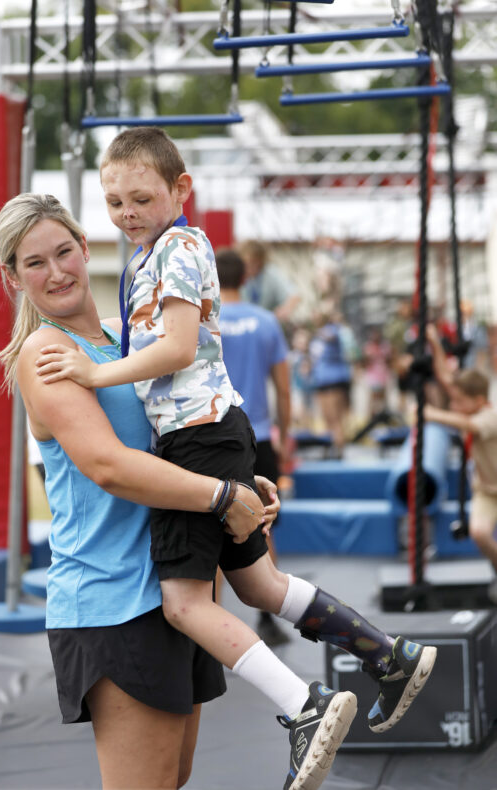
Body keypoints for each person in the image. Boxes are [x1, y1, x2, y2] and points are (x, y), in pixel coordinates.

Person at [35, 128, 437, 790]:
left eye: (140, 197)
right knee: (258, 585)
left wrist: (90, 374)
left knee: (184, 604)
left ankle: (303, 706)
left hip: (198, 435)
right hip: (210, 435)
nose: (127, 212)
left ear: (180, 190)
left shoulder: (179, 248)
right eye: (113, 203)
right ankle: (386, 656)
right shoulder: (147, 256)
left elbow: (177, 349)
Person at [0, 192, 278, 790]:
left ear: (85, 247)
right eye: (34, 263)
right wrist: (223, 499)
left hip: (178, 587)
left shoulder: (127, 343)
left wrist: (239, 482)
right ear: (13, 278)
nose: (57, 271)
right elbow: (109, 467)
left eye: (64, 251)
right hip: (113, 599)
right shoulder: (47, 351)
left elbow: (177, 439)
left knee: (172, 781)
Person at [216, 246, 292, 647]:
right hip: (258, 434)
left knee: (207, 523)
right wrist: (288, 432)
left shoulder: (199, 320)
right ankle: (269, 617)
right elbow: (282, 386)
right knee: (263, 523)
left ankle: (207, 624)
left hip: (211, 434)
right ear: (246, 278)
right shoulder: (266, 322)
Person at [424, 324, 497, 601]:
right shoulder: (470, 406)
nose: (454, 405)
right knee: (479, 532)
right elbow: (446, 379)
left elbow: (468, 423)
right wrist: (435, 343)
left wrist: (433, 413)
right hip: (487, 491)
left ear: (478, 401)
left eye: (460, 401)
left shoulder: (489, 417)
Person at [308, 311, 353, 459]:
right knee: (327, 418)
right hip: (321, 381)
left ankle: (339, 450)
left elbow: (332, 336)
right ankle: (332, 447)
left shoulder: (332, 331)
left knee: (335, 418)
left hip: (333, 381)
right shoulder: (316, 338)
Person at [237, 239, 301, 326]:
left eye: (251, 263)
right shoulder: (238, 275)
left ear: (260, 261)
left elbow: (294, 295)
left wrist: (284, 310)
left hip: (266, 325)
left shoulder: (271, 274)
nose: (247, 268)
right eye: (244, 264)